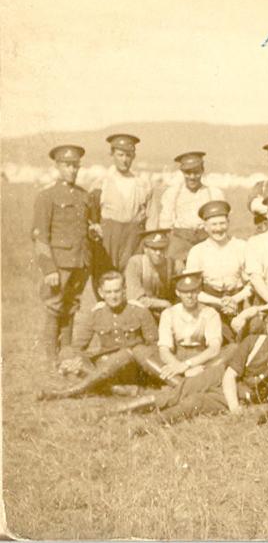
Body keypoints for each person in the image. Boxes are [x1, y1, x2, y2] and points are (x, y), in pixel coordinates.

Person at [111, 306, 268, 422]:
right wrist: (235, 409)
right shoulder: (252, 342)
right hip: (219, 376)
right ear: (267, 328)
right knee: (178, 393)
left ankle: (149, 423)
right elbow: (229, 376)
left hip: (239, 394)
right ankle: (116, 410)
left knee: (194, 403)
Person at [37, 271, 164, 400]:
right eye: (108, 292)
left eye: (117, 291)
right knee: (67, 352)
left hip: (132, 368)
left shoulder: (139, 310)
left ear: (124, 290)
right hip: (105, 367)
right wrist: (75, 360)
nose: (113, 296)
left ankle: (68, 392)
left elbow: (154, 345)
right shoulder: (96, 313)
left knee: (124, 354)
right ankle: (117, 389)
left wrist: (137, 355)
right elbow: (78, 346)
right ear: (101, 293)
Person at [33, 144, 95, 364]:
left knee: (72, 306)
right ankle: (51, 358)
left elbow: (87, 227)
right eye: (67, 165)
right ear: (57, 166)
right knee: (54, 306)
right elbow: (40, 236)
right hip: (59, 264)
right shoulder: (47, 196)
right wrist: (49, 268)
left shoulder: (83, 195)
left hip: (80, 261)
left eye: (75, 166)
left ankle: (66, 353)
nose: (72, 170)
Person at [89, 134, 153, 284]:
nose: (124, 160)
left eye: (128, 155)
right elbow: (91, 216)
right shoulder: (101, 183)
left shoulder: (143, 184)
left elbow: (151, 218)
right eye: (120, 155)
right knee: (105, 279)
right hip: (109, 239)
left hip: (134, 240)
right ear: (112, 154)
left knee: (132, 279)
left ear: (134, 156)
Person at [185, 200, 250, 340]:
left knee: (244, 335)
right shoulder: (197, 251)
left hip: (238, 301)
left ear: (228, 223)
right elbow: (192, 289)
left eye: (222, 223)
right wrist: (219, 302)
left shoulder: (242, 246)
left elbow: (251, 283)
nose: (219, 229)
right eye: (214, 224)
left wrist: (235, 299)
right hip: (209, 304)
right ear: (205, 227)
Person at [157, 151, 224, 270]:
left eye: (196, 172)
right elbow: (165, 225)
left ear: (202, 171)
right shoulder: (172, 193)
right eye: (188, 172)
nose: (192, 177)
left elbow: (221, 223)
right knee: (177, 270)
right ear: (182, 172)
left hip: (205, 241)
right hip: (180, 242)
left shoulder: (213, 193)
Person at [124, 229, 176, 320]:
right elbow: (134, 299)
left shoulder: (174, 265)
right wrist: (164, 303)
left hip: (166, 313)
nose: (158, 253)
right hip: (140, 312)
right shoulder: (136, 263)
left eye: (162, 249)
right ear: (145, 249)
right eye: (154, 249)